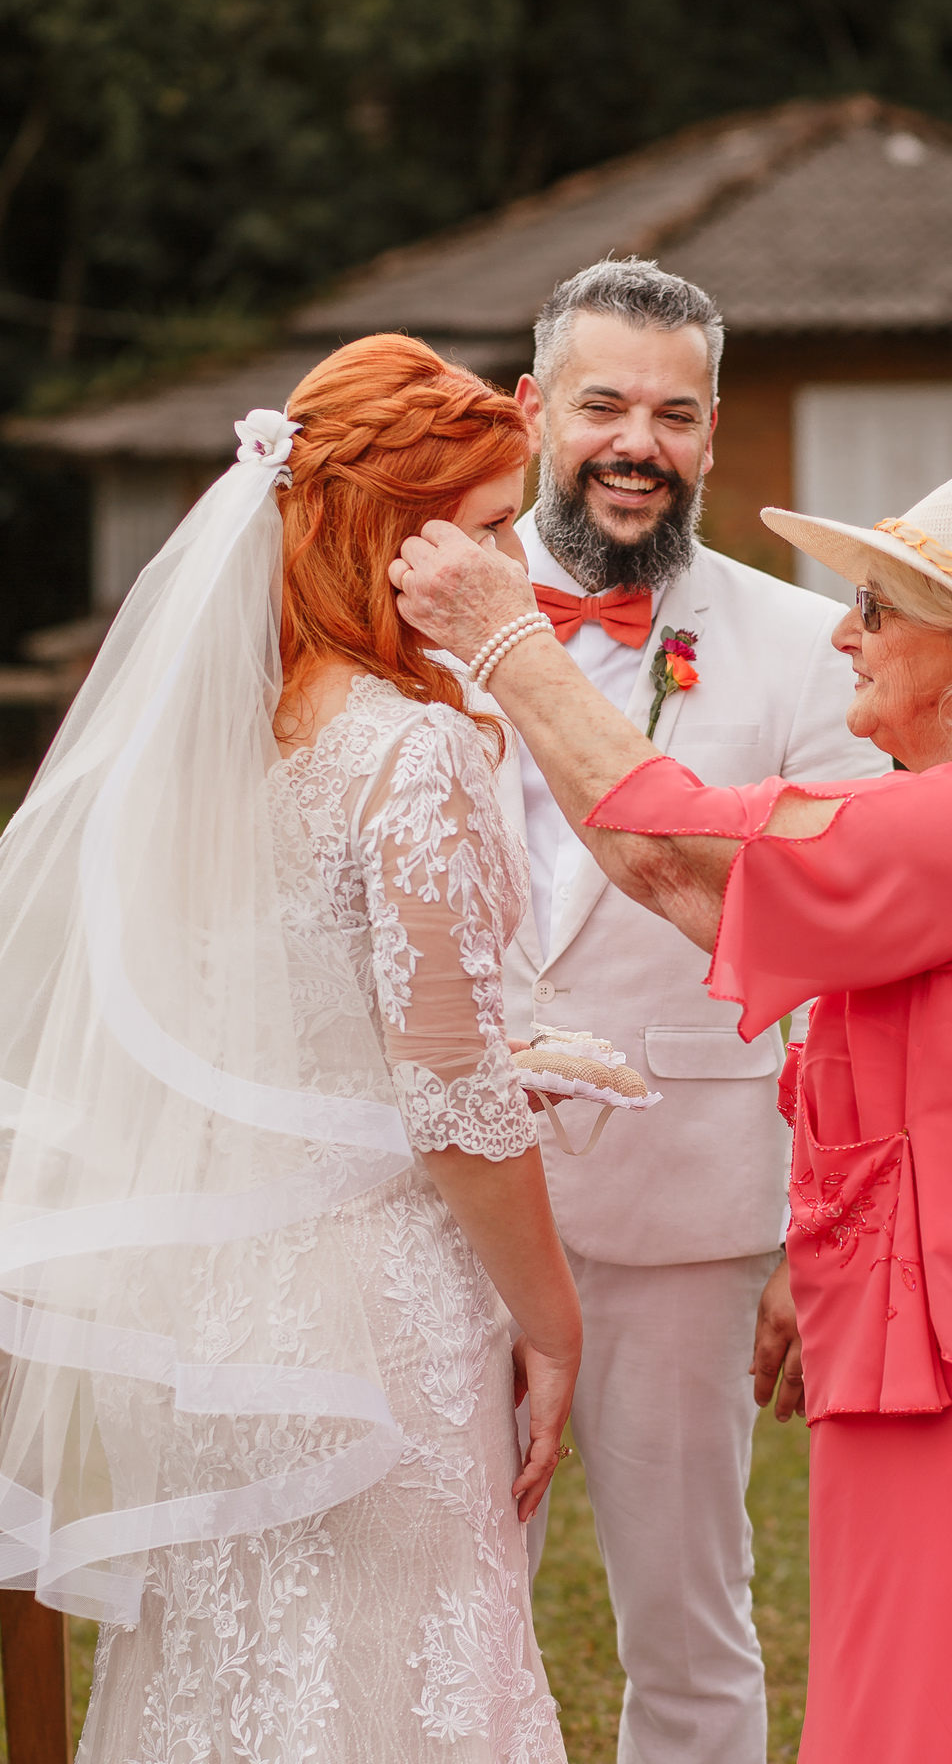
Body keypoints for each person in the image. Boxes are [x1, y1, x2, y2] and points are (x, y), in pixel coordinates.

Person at [392, 466, 952, 1763]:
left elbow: (672, 858)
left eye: (875, 610)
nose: (840, 636)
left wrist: (506, 640)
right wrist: (830, 1268)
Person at [0, 334, 580, 1764]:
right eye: (489, 529)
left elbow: (253, 1026)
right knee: (399, 1694)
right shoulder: (412, 753)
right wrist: (554, 1323)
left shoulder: (201, 750)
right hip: (379, 1320)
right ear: (393, 537)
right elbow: (449, 1100)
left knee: (230, 1692)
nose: (512, 563)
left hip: (216, 1318)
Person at [490, 257, 887, 1764]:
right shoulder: (416, 608)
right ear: (535, 409)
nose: (635, 444)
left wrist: (815, 1223)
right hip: (449, 1197)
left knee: (690, 1621)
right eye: (603, 406)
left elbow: (852, 959)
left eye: (673, 414)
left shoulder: (805, 648)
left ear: (714, 432)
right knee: (455, 1607)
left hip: (691, 1204)